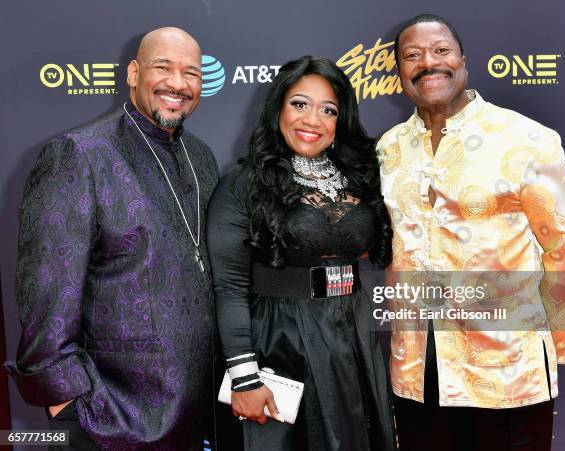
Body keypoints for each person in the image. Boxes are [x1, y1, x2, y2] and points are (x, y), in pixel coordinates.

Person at [377, 14, 565, 451]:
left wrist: (550, 344)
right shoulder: (389, 147)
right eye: (412, 55)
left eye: (441, 51)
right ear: (399, 72)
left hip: (507, 369)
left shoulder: (526, 139)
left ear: (463, 61)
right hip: (418, 369)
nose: (428, 63)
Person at [4, 27, 219, 450]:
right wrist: (68, 407)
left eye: (191, 73)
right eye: (163, 67)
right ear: (134, 73)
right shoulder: (79, 155)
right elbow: (46, 294)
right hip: (113, 421)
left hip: (200, 415)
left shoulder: (202, 157)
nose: (178, 83)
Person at [207, 55, 396, 450]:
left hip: (353, 338)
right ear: (278, 106)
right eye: (300, 104)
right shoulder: (243, 184)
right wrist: (245, 377)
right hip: (280, 342)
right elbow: (230, 287)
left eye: (328, 110)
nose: (313, 120)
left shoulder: (360, 175)